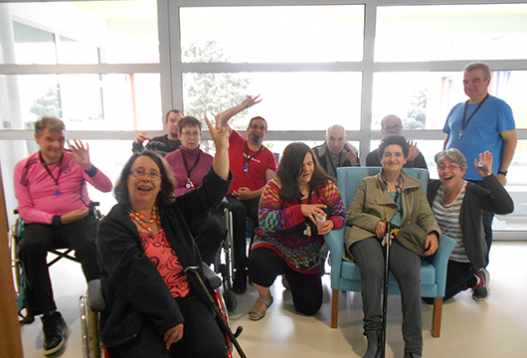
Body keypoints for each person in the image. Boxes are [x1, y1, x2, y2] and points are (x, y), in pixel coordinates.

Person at [97, 114, 231, 358]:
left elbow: (212, 190)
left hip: (185, 296)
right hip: (136, 307)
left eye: (153, 174)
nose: (146, 177)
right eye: (139, 172)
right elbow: (136, 278)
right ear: (126, 180)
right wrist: (169, 317)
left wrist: (222, 149)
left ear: (161, 183)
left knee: (212, 352)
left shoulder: (170, 211)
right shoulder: (112, 226)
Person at [13, 116, 113, 355]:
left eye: (60, 139)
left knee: (90, 243)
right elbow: (25, 210)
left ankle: (100, 304)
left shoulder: (75, 160)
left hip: (78, 218)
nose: (56, 145)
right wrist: (56, 219)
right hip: (42, 222)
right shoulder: (24, 167)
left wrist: (88, 166)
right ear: (37, 138)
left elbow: (107, 187)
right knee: (29, 248)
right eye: (49, 139)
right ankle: (50, 316)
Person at [345, 134, 440, 358]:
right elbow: (352, 214)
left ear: (405, 159)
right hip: (366, 235)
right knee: (373, 270)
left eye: (398, 154)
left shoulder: (415, 185)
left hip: (401, 237)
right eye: (388, 154)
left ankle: (414, 348)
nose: (392, 158)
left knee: (410, 275)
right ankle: (374, 339)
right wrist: (374, 222)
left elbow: (426, 215)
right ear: (381, 158)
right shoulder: (367, 184)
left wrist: (433, 232)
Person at [248, 142, 346, 320]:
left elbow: (342, 214)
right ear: (289, 167)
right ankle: (264, 297)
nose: (307, 170)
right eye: (300, 166)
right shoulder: (275, 186)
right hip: (275, 243)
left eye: (310, 163)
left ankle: (291, 276)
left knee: (309, 307)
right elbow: (266, 221)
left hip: (307, 252)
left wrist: (332, 223)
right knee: (258, 262)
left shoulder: (326, 186)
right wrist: (300, 211)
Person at [443, 62, 517, 265]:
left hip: (482, 179)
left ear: (487, 81)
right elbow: (449, 139)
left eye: (475, 80)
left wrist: (502, 172)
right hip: (455, 179)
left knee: (481, 227)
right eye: (465, 81)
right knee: (453, 224)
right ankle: (454, 266)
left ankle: (479, 272)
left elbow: (511, 140)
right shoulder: (457, 108)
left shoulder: (499, 107)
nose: (469, 85)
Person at [427, 149, 513, 302]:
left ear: (463, 170)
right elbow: (415, 181)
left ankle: (475, 280)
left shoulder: (473, 193)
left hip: (462, 259)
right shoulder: (434, 188)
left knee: (431, 298)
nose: (446, 170)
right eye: (441, 166)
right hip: (437, 254)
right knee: (420, 287)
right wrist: (413, 158)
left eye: (452, 166)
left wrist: (487, 175)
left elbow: (506, 207)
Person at [220, 96, 278, 294]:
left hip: (255, 198)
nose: (258, 130)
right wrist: (243, 106)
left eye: (262, 128)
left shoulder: (268, 156)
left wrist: (251, 193)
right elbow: (220, 120)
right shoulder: (236, 140)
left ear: (265, 133)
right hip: (231, 197)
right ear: (248, 129)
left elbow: (271, 184)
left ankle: (255, 266)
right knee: (235, 212)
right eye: (254, 126)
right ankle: (240, 268)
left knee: (263, 216)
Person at [164, 115, 222, 265]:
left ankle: (201, 270)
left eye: (195, 133)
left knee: (214, 227)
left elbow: (215, 188)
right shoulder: (169, 160)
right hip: (177, 211)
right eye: (187, 133)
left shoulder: (210, 161)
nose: (191, 137)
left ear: (201, 135)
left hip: (203, 211)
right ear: (179, 136)